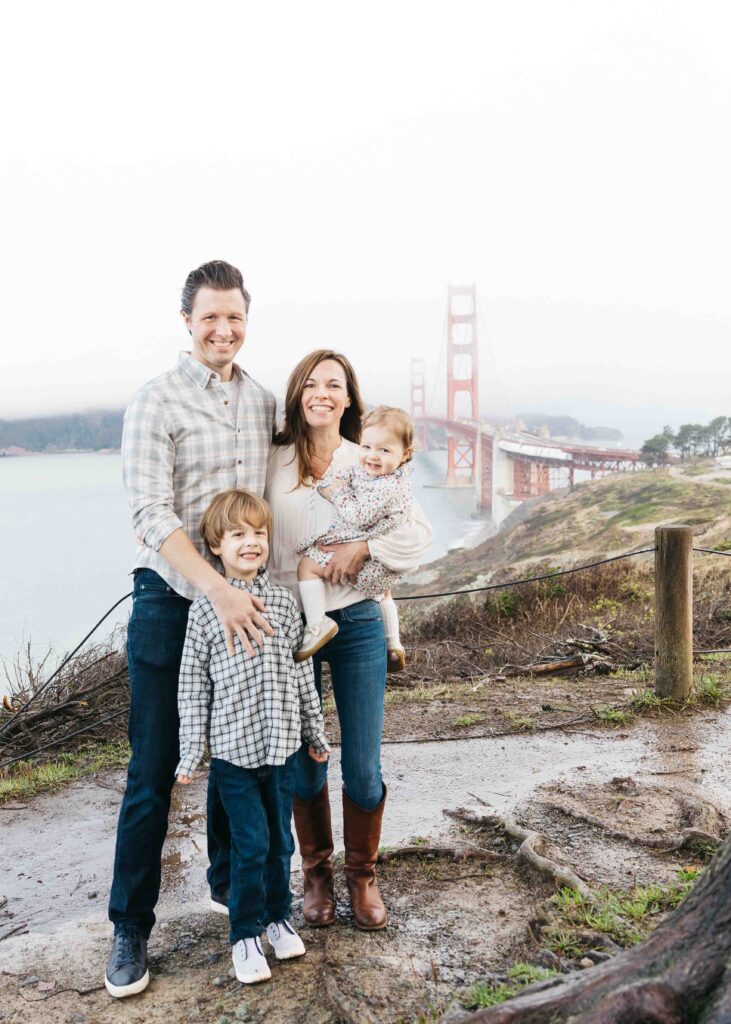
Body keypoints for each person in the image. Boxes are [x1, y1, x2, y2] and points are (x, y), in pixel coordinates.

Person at [105, 260, 278, 998]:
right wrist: (216, 590)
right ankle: (128, 930)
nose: (223, 329)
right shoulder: (156, 402)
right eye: (209, 316)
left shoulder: (263, 400)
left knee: (237, 749)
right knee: (154, 769)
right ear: (187, 320)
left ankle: (226, 885)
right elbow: (150, 515)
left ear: (246, 318)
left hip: (243, 600)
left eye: (234, 316)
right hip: (174, 599)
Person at [265, 351, 433, 931]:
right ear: (298, 392)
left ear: (348, 397)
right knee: (304, 761)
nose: (322, 393)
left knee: (362, 766)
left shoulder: (369, 458)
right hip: (294, 625)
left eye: (334, 384)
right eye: (311, 383)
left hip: (358, 618)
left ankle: (363, 876)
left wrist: (365, 549)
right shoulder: (273, 456)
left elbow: (418, 536)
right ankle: (316, 875)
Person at [176, 489, 329, 985]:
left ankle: (277, 919)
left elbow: (303, 675)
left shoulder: (284, 605)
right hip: (233, 757)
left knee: (280, 843)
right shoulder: (205, 612)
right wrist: (191, 752)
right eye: (238, 534)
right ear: (215, 546)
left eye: (259, 533)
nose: (252, 542)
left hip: (282, 748)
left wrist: (315, 731)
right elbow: (193, 686)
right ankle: (244, 935)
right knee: (250, 844)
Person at [295, 405, 415, 672]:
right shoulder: (382, 474)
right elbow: (345, 475)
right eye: (367, 447)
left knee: (307, 565)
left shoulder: (385, 487)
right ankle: (393, 641)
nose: (372, 456)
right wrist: (332, 482)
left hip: (363, 562)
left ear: (405, 455)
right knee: (384, 593)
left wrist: (335, 493)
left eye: (384, 450)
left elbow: (357, 515)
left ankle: (317, 623)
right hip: (380, 564)